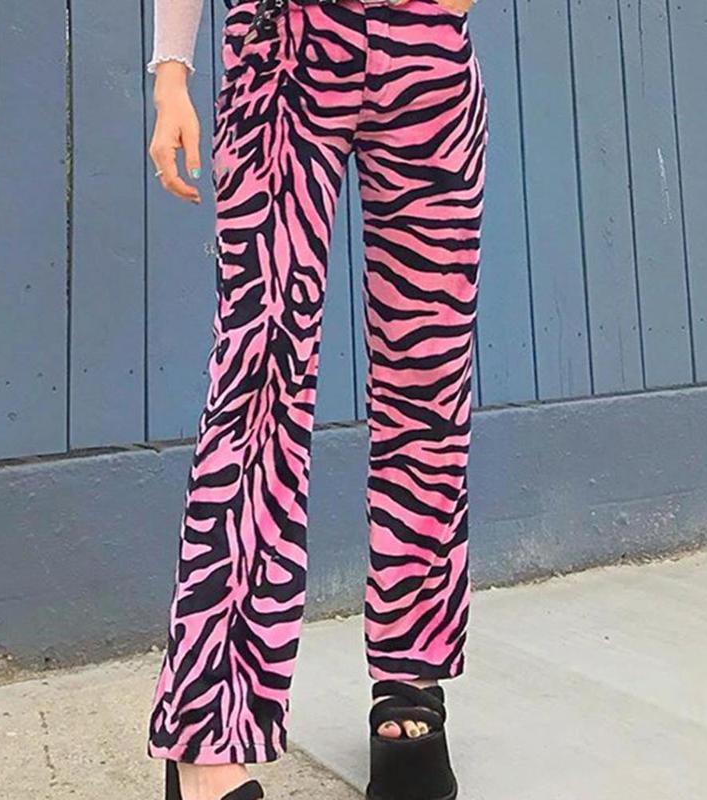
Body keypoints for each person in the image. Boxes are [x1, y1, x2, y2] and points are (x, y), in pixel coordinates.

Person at [146, 0, 487, 796]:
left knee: (429, 378)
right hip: (287, 50)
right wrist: (170, 73)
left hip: (428, 57)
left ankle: (411, 677)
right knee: (257, 377)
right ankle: (208, 730)